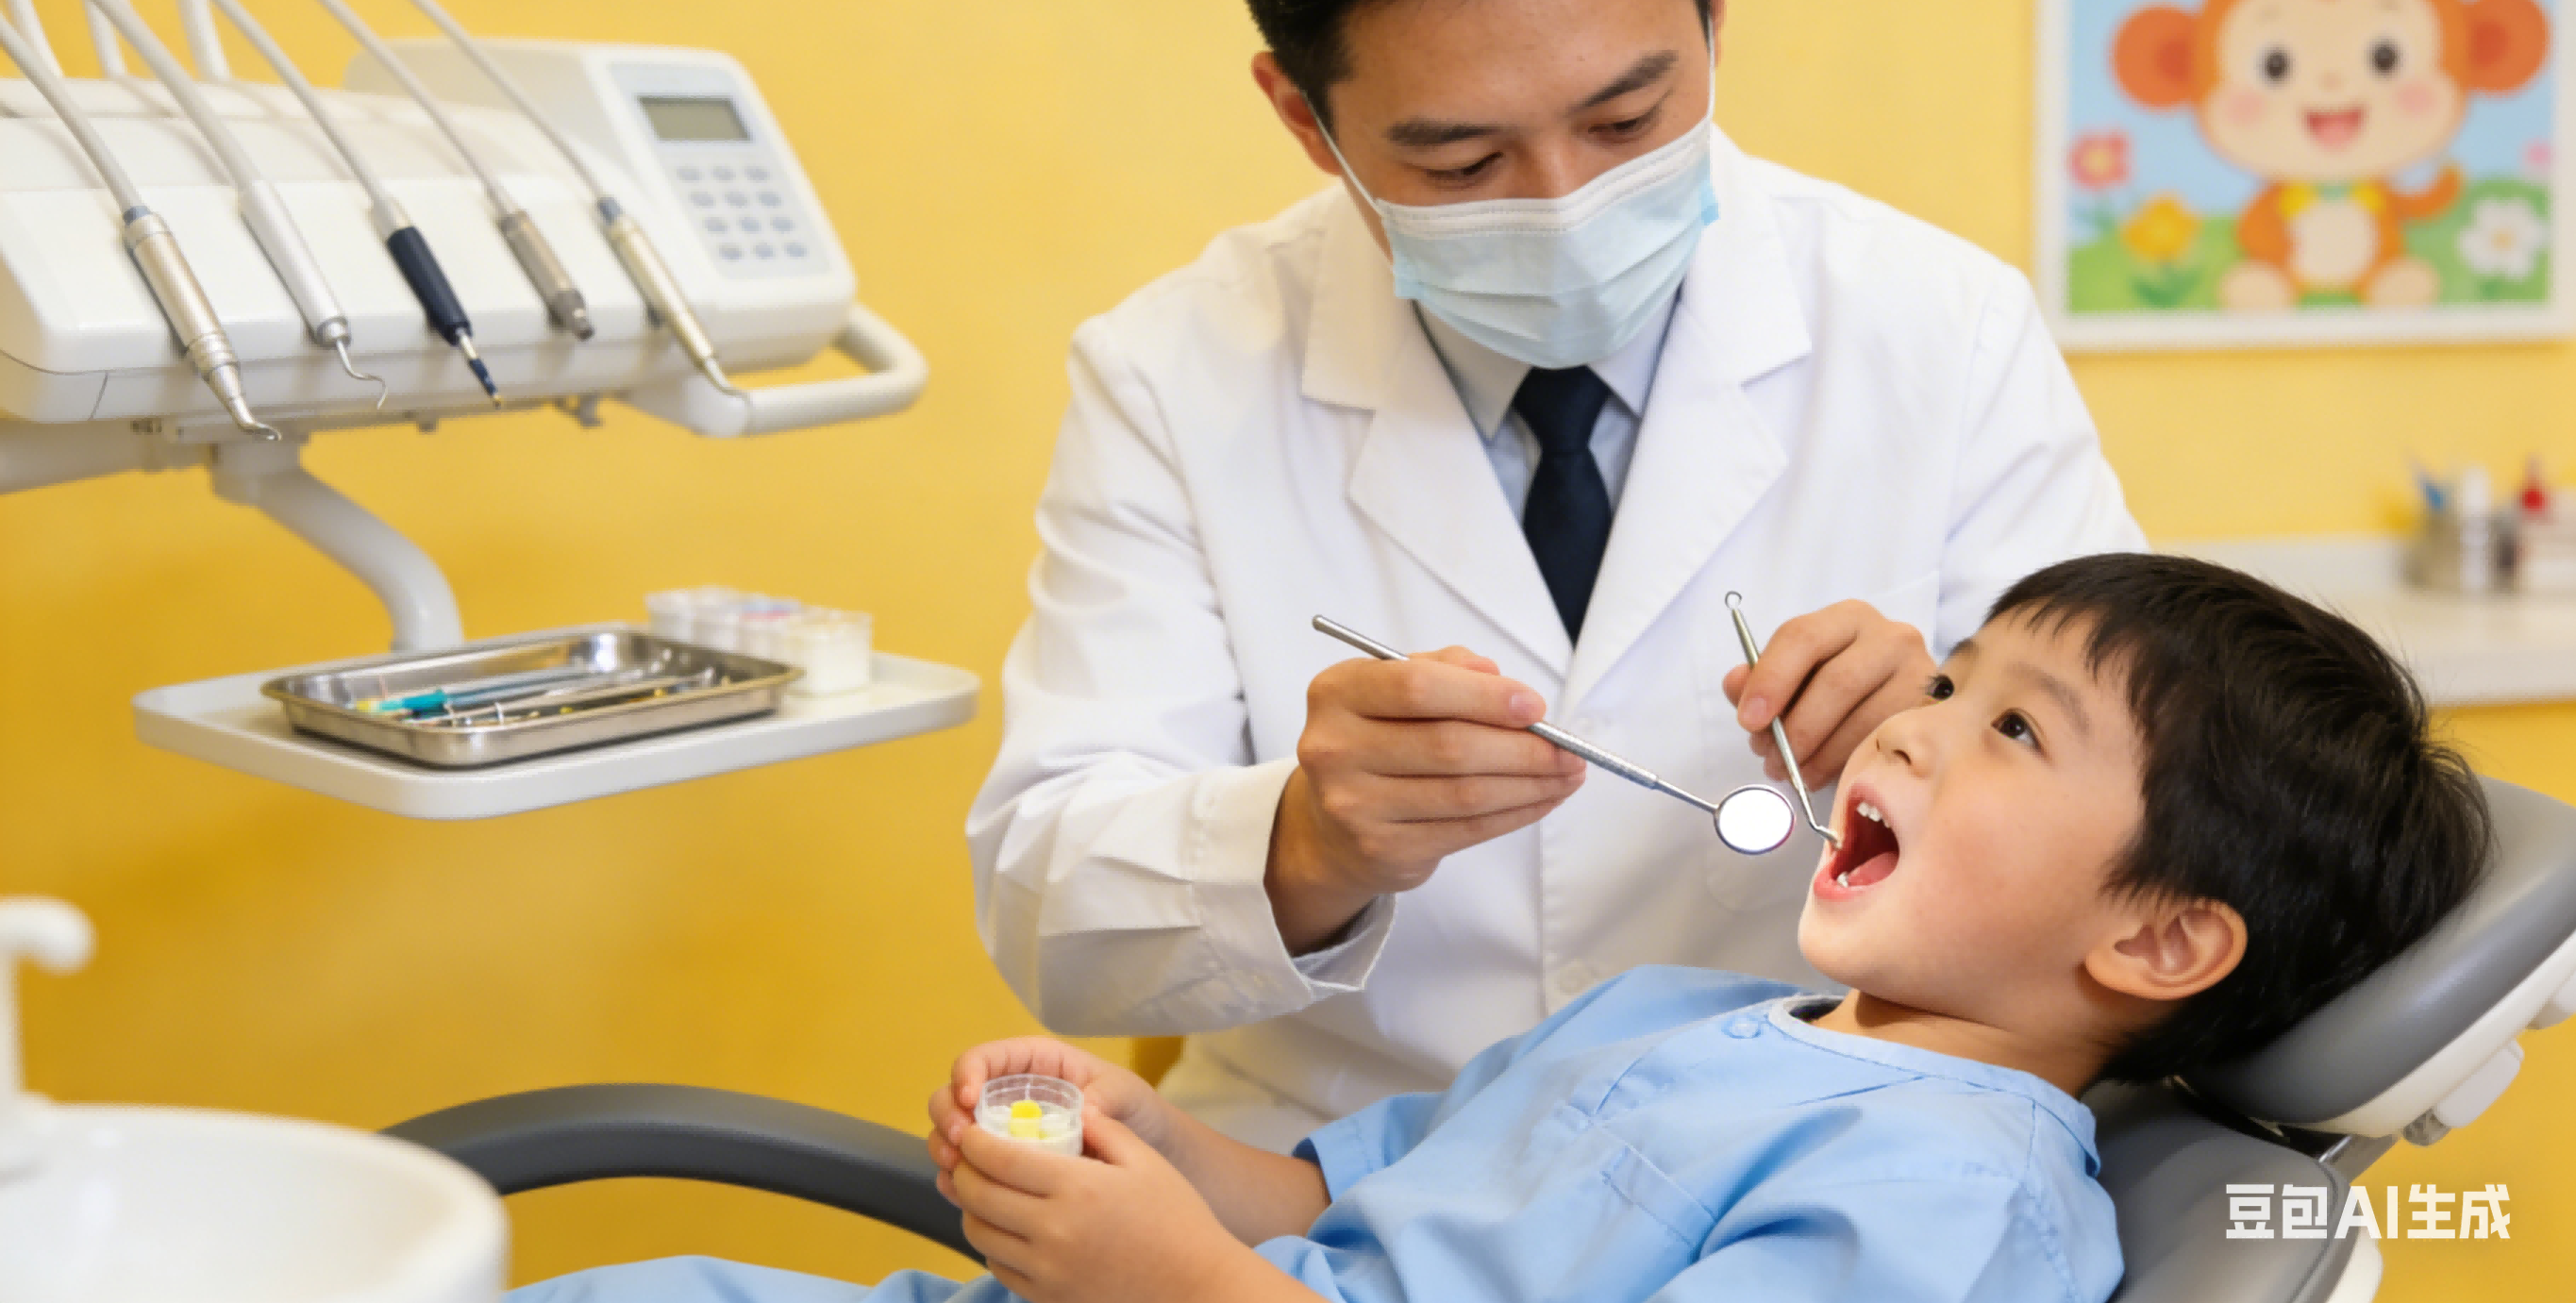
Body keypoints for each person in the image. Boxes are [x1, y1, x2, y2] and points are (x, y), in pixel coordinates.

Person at [969, 0, 2142, 1151]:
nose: (1565, 208)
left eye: (1626, 122)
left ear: (1713, 5)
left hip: (1817, 1154)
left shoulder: (1942, 329)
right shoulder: (1173, 374)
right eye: (1463, 161)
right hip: (1336, 1170)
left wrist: (1955, 741)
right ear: (1305, 117)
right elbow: (1051, 920)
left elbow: (2167, 828)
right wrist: (1303, 844)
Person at [519, 554, 2493, 1302]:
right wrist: (1152, 1155)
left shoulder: (1949, 1203)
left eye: (2010, 728)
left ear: (2161, 942)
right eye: (1949, 674)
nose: (1906, 718)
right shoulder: (1695, 1013)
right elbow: (1330, 1197)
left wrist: (1172, 1283)